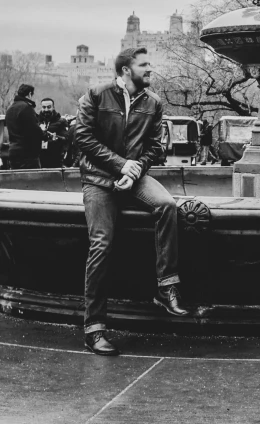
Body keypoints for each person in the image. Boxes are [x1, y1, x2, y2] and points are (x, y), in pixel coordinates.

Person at [75, 47, 188, 357]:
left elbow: (155, 148)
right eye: (143, 65)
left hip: (134, 175)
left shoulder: (153, 103)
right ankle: (94, 328)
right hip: (98, 179)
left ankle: (166, 286)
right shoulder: (97, 94)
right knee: (102, 244)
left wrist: (136, 167)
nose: (149, 69)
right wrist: (119, 165)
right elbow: (82, 137)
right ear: (126, 70)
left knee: (167, 206)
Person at [5, 84, 45, 169]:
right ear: (30, 94)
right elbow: (34, 131)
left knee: (17, 180)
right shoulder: (26, 108)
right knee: (33, 180)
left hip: (13, 151)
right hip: (27, 154)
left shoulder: (10, 109)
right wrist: (44, 135)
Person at [38, 98, 68, 168]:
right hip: (39, 158)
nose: (46, 110)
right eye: (44, 107)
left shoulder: (61, 122)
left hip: (55, 158)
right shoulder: (37, 121)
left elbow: (66, 139)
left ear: (53, 107)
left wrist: (52, 136)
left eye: (49, 107)